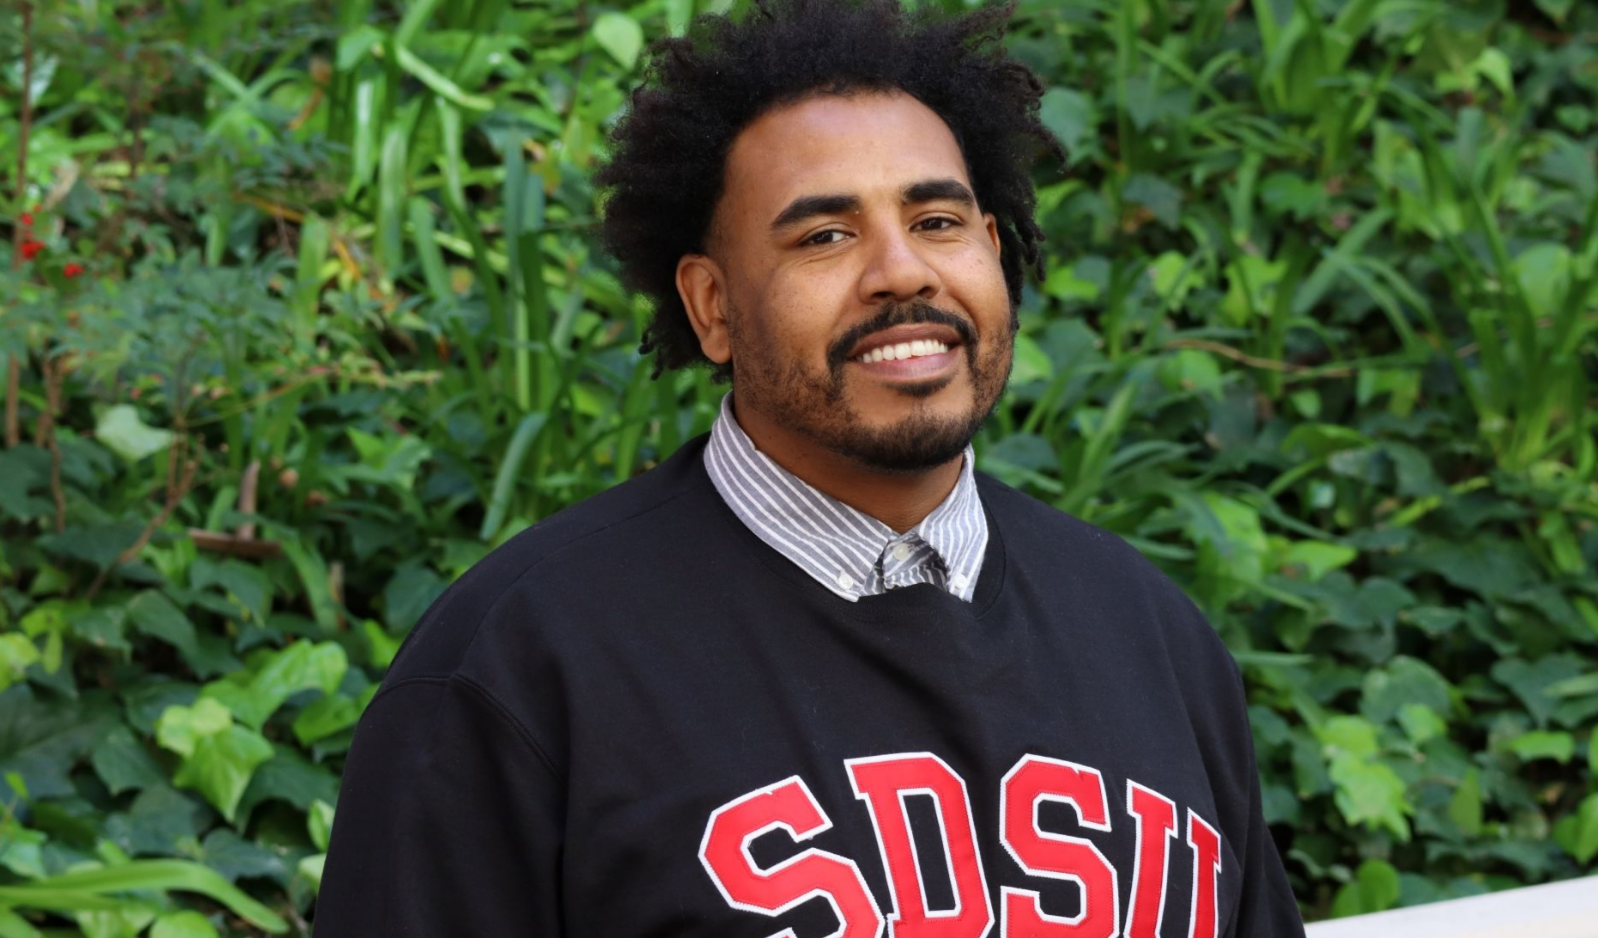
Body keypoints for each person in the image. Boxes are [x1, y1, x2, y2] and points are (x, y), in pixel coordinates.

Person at [312, 0, 1307, 934]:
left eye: (938, 221)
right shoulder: (521, 663)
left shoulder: (1147, 629)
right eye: (824, 235)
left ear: (993, 252)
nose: (902, 271)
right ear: (710, 305)